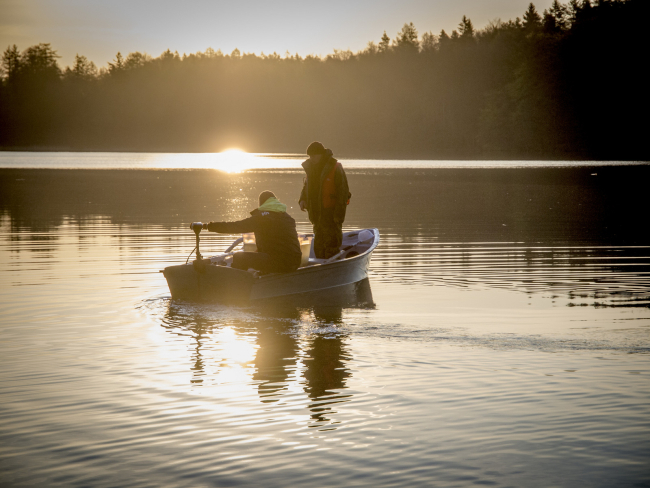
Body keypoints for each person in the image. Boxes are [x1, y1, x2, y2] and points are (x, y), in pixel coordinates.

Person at [203, 191, 302, 274]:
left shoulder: (262, 218)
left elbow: (235, 226)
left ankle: (236, 290)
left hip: (280, 263)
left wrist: (208, 226)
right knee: (258, 255)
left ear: (262, 204)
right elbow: (278, 243)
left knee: (238, 257)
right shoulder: (287, 217)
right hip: (295, 262)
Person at [299, 142, 351, 259]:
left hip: (331, 216)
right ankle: (321, 272)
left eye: (313, 156)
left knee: (332, 247)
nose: (311, 159)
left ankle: (333, 271)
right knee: (318, 248)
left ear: (321, 154)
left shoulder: (335, 167)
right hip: (317, 216)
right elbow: (306, 187)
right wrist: (302, 199)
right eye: (309, 156)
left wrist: (338, 217)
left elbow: (343, 194)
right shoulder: (311, 169)